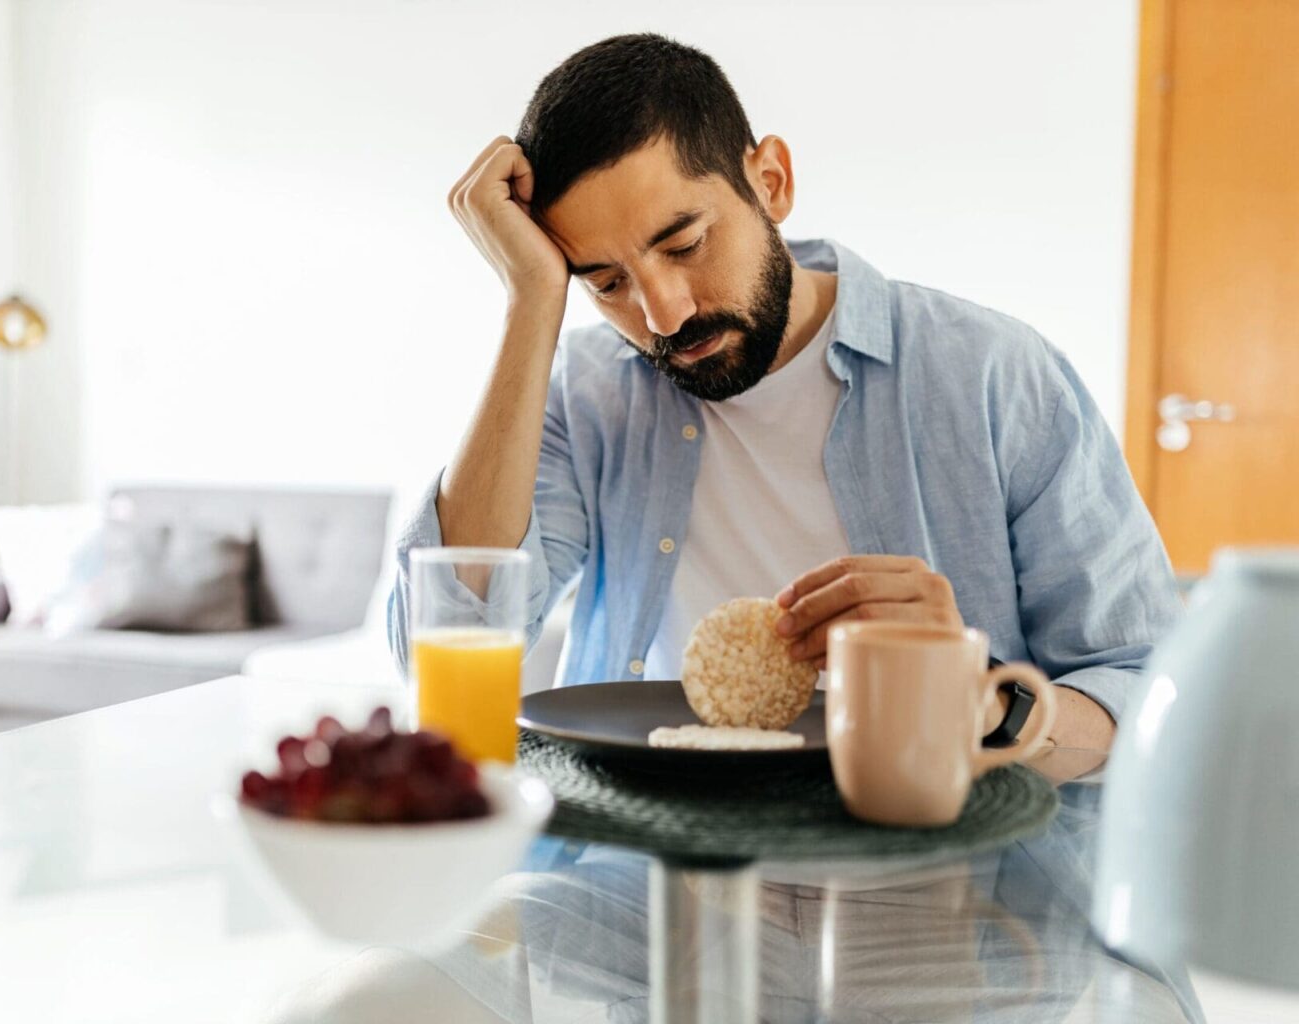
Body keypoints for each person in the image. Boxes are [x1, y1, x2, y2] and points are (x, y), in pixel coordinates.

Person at [387, 33, 1181, 750]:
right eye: (606, 282)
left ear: (770, 180)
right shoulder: (587, 397)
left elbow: (1147, 700)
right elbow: (450, 648)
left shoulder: (995, 375)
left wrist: (981, 701)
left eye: (686, 243)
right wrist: (533, 303)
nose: (665, 312)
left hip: (938, 879)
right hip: (643, 875)